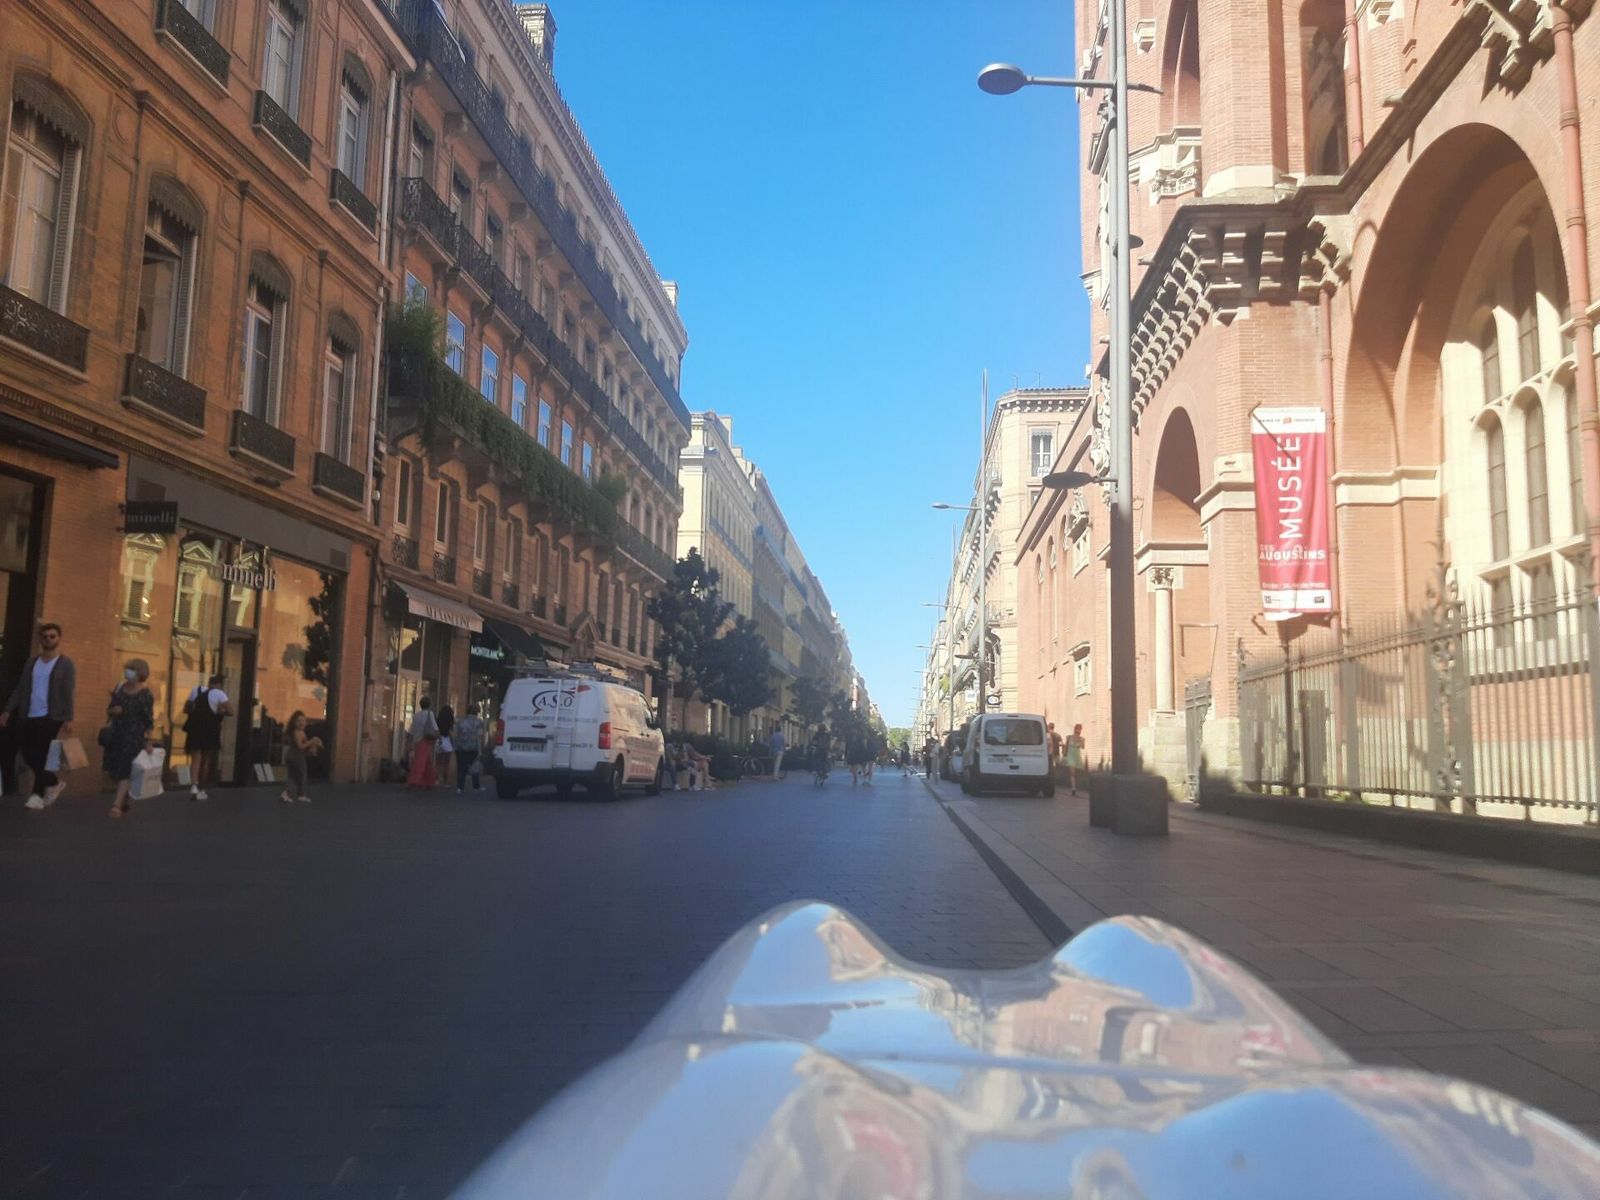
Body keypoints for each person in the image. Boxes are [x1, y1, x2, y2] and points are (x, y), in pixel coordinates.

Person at [1, 622, 76, 811]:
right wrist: (8, 710)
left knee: (42, 754)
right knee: (28, 753)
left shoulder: (65, 664)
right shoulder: (32, 663)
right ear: (40, 639)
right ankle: (53, 782)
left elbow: (68, 691)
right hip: (29, 713)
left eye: (52, 636)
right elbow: (21, 688)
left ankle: (37, 796)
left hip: (52, 715)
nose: (48, 639)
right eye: (45, 636)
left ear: (58, 639)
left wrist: (68, 717)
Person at [104, 658, 155, 818]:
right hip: (117, 735)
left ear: (140, 673)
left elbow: (148, 720)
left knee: (125, 770)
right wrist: (114, 710)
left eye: (132, 669)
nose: (128, 672)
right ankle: (125, 796)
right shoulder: (120, 687)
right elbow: (110, 709)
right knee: (115, 770)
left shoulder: (145, 694)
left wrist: (148, 741)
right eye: (127, 668)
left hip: (134, 737)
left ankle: (116, 805)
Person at [183, 673, 233, 802]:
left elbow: (186, 709)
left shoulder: (197, 690)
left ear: (209, 682)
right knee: (205, 760)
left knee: (195, 759)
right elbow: (230, 711)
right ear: (219, 684)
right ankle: (202, 790)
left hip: (195, 729)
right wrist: (220, 711)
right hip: (209, 730)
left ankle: (193, 786)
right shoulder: (220, 694)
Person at [280, 711, 323, 804]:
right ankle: (298, 795)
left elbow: (306, 744)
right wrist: (312, 741)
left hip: (294, 756)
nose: (301, 723)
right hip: (296, 757)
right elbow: (300, 746)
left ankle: (292, 794)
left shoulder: (302, 732)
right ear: (294, 722)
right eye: (298, 720)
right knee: (301, 776)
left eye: (303, 720)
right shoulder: (296, 732)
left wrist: (314, 744)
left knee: (293, 776)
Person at [406, 697, 440, 789]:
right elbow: (434, 727)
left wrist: (409, 740)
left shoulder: (416, 715)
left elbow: (412, 729)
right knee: (421, 762)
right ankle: (415, 781)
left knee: (426, 761)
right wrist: (438, 736)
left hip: (417, 740)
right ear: (429, 705)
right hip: (426, 739)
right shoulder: (430, 714)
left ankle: (429, 781)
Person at [454, 705, 485, 793]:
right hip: (473, 747)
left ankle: (460, 787)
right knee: (475, 767)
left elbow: (456, 734)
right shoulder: (479, 722)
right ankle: (476, 786)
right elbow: (479, 737)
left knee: (461, 768)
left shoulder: (460, 721)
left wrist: (456, 746)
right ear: (477, 712)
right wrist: (480, 750)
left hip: (460, 747)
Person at [436, 703, 456, 786]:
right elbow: (451, 732)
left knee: (438, 763)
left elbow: (436, 731)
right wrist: (453, 743)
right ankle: (445, 781)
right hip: (447, 740)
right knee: (446, 763)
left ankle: (436, 779)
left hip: (439, 740)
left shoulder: (438, 720)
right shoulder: (450, 721)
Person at [1064, 723, 1087, 796]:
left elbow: (1083, 747)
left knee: (1077, 773)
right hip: (1070, 756)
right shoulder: (1069, 737)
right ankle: (1073, 788)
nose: (1079, 730)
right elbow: (1066, 746)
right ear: (1075, 729)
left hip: (1077, 756)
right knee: (1072, 772)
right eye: (1077, 729)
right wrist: (1065, 755)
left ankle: (1077, 786)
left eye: (1080, 729)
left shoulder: (1082, 738)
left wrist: (1081, 741)